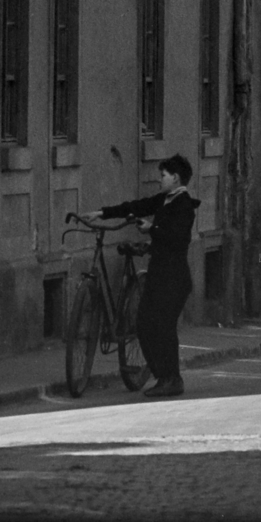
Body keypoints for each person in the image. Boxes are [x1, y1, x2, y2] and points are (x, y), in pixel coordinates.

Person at [100, 155, 199, 398]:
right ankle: (163, 376)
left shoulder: (184, 205)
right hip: (159, 274)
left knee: (163, 328)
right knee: (144, 326)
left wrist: (151, 229)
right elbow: (137, 206)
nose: (159, 179)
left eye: (163, 175)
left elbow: (178, 239)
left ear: (175, 178)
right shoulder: (164, 200)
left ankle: (172, 379)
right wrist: (103, 213)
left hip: (174, 278)